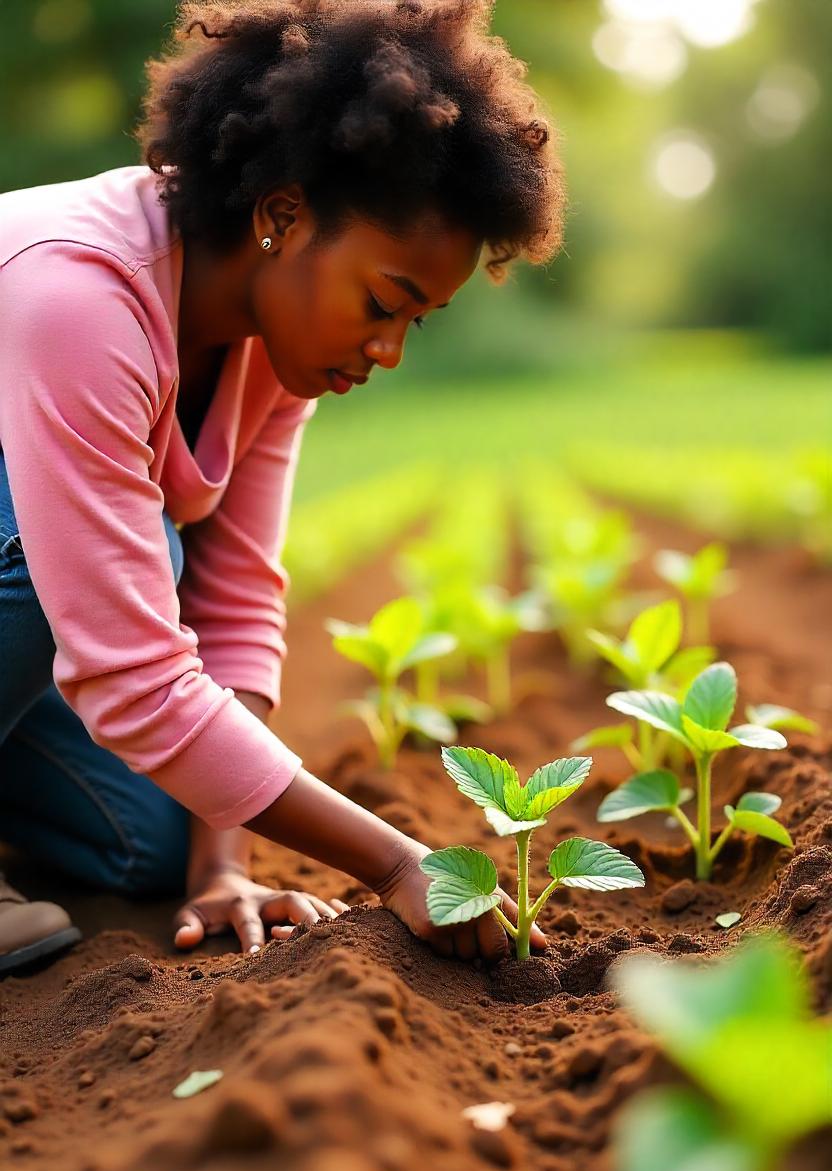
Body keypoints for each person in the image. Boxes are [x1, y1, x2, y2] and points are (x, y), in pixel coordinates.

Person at [0, 0, 563, 975]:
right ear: (281, 214)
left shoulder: (270, 347)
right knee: (145, 556)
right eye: (383, 303)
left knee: (152, 841)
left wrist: (224, 864)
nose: (386, 350)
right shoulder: (80, 293)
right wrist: (395, 863)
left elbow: (236, 595)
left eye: (415, 323)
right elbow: (130, 674)